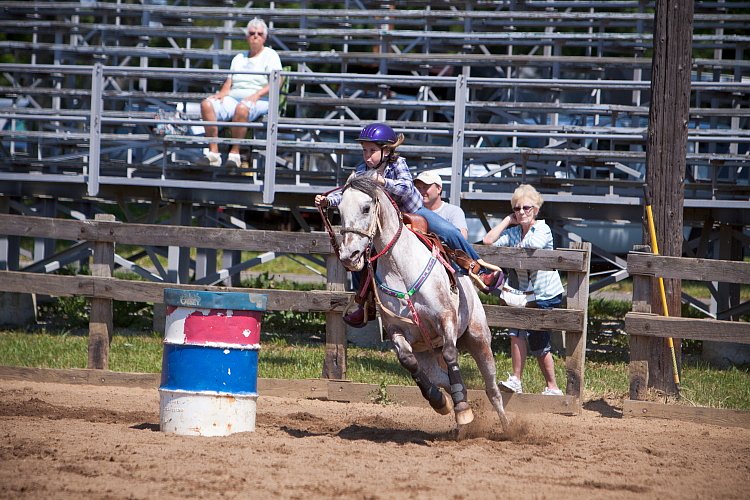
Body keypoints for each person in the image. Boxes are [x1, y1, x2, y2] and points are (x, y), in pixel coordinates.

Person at [315, 123, 503, 327]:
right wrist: (328, 201)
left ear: (386, 150)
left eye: (372, 150)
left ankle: (478, 270)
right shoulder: (361, 171)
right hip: (386, 225)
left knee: (448, 231)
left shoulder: (398, 164)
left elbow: (405, 187)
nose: (367, 156)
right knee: (362, 258)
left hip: (414, 213)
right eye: (364, 150)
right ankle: (364, 303)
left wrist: (384, 182)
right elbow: (348, 193)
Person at [482, 184, 565, 396]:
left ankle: (553, 387)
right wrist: (508, 221)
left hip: (545, 293)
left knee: (538, 340)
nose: (521, 212)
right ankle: (516, 379)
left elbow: (531, 246)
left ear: (536, 209)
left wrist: (519, 232)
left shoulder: (542, 229)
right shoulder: (514, 230)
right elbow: (488, 242)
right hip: (523, 294)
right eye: (517, 209)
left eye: (526, 208)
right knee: (516, 331)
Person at [197, 18, 283, 168]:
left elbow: (278, 81)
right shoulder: (238, 57)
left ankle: (235, 154)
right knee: (206, 104)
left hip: (260, 99)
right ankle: (213, 153)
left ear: (265, 37)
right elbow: (230, 81)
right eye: (252, 33)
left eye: (259, 33)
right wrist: (221, 94)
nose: (255, 36)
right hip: (234, 97)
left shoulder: (271, 55)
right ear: (246, 36)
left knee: (242, 108)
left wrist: (257, 95)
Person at [414, 171, 469, 239]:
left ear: (438, 189)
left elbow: (462, 238)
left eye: (425, 187)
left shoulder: (453, 211)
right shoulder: (414, 212)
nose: (421, 191)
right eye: (418, 188)